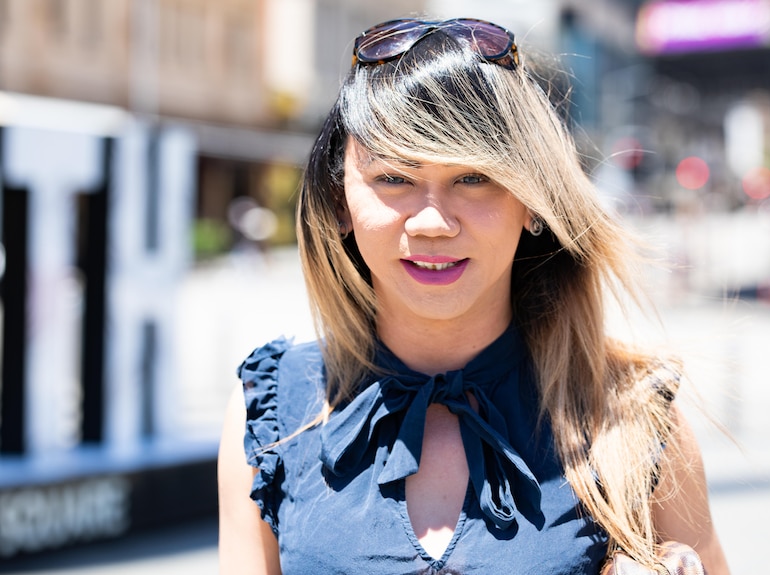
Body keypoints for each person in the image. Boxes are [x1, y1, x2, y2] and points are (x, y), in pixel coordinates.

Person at [218, 17, 730, 575]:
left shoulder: (631, 417)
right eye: (394, 177)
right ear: (340, 199)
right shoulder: (273, 410)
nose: (433, 221)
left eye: (474, 178)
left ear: (534, 199)